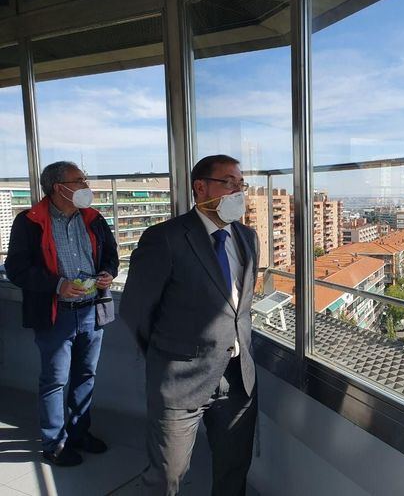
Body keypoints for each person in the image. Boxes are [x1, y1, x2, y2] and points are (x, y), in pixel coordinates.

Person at [120, 154, 259, 496]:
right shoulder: (164, 238)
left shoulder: (248, 237)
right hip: (179, 381)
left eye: (240, 184)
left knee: (233, 468)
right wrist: (170, 354)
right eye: (229, 182)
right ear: (201, 187)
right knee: (168, 476)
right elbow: (136, 309)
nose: (237, 191)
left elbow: (238, 308)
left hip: (237, 378)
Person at [5, 161, 118, 467]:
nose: (86, 185)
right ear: (59, 188)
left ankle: (80, 432)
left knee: (85, 375)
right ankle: (54, 443)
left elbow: (110, 255)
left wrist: (107, 273)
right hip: (55, 313)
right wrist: (58, 285)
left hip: (91, 311)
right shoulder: (29, 222)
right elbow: (16, 269)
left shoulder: (94, 219)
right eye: (79, 180)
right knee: (55, 380)